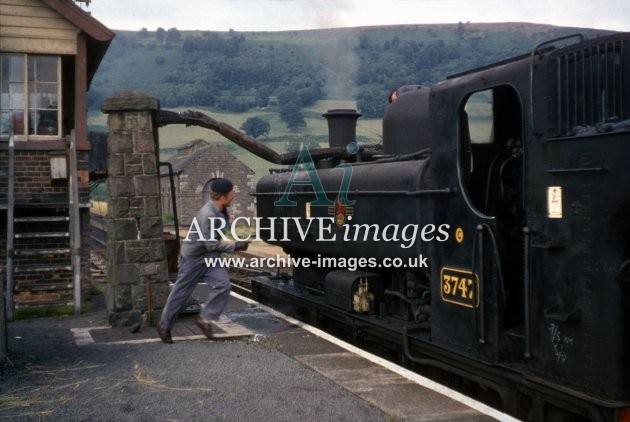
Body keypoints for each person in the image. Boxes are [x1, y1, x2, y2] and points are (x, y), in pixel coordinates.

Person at [157, 178, 249, 343]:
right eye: (231, 193)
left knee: (223, 285)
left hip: (211, 258)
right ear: (223, 197)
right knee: (181, 293)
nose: (234, 195)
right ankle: (164, 326)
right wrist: (235, 247)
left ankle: (204, 319)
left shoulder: (222, 210)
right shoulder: (207, 214)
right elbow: (210, 244)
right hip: (194, 258)